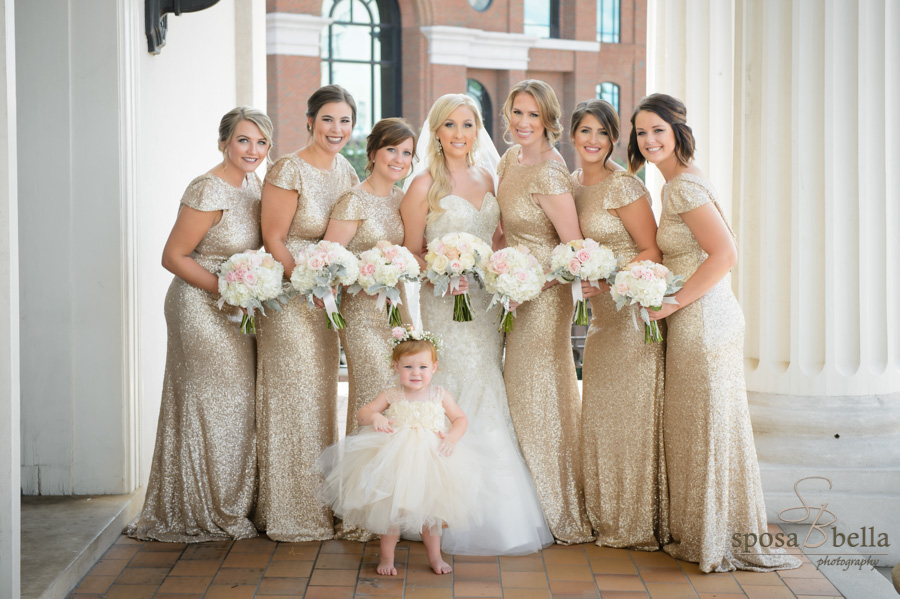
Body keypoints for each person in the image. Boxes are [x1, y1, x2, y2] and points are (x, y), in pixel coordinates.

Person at [630, 93, 800, 572]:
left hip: (703, 319)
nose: (649, 140)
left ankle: (713, 539)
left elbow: (725, 255)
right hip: (700, 315)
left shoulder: (681, 187)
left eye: (657, 130)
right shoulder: (679, 182)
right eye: (642, 133)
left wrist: (672, 303)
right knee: (705, 427)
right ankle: (710, 531)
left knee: (705, 428)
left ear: (678, 131)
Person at [401, 93, 553, 555]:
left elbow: (499, 239)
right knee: (448, 386)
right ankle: (435, 510)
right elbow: (410, 250)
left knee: (486, 385)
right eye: (450, 126)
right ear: (437, 131)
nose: (460, 134)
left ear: (478, 130)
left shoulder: (492, 176)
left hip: (485, 306)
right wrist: (441, 273)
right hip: (443, 306)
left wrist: (496, 273)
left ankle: (496, 509)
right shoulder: (423, 184)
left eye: (468, 125)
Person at [128, 106, 272, 542]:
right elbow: (172, 257)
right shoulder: (207, 189)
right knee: (208, 403)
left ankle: (229, 502)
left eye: (262, 142)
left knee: (238, 403)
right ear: (224, 141)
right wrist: (226, 290)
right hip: (198, 307)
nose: (253, 150)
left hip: (238, 307)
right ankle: (195, 509)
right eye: (244, 140)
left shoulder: (254, 185)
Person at [255, 85, 359, 541]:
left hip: (326, 301)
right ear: (311, 121)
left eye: (345, 121)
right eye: (329, 120)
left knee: (317, 398)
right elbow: (273, 238)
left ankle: (318, 506)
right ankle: (287, 511)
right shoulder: (287, 168)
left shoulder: (347, 169)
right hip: (290, 297)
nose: (337, 130)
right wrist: (308, 281)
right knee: (290, 396)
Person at [495, 80, 593, 544]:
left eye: (533, 115)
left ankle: (554, 505)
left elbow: (572, 251)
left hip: (542, 300)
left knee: (536, 395)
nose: (523, 123)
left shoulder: (552, 173)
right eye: (517, 112)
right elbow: (503, 231)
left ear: (549, 121)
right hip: (511, 296)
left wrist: (530, 283)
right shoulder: (507, 161)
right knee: (517, 396)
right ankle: (520, 500)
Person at [570, 99, 669, 550]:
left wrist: (610, 282)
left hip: (630, 316)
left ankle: (632, 520)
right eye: (586, 131)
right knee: (600, 415)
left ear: (613, 139)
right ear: (573, 135)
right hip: (599, 322)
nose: (593, 141)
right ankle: (602, 513)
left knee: (627, 417)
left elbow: (652, 250)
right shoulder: (571, 185)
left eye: (603, 133)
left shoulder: (623, 187)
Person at [318, 327, 483, 576]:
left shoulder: (440, 394)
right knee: (390, 512)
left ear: (434, 367)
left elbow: (460, 418)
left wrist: (452, 436)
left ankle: (435, 556)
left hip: (432, 458)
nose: (415, 373)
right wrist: (375, 417)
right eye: (408, 367)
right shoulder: (392, 394)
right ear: (396, 366)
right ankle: (386, 558)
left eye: (422, 367)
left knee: (431, 514)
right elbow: (361, 414)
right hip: (394, 458)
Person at [323, 117, 417, 436]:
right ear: (374, 151)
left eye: (407, 153)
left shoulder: (402, 199)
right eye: (392, 149)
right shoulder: (353, 200)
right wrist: (367, 269)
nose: (399, 160)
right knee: (373, 390)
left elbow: (414, 251)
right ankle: (362, 481)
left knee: (401, 393)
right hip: (362, 314)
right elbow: (330, 262)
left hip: (397, 310)